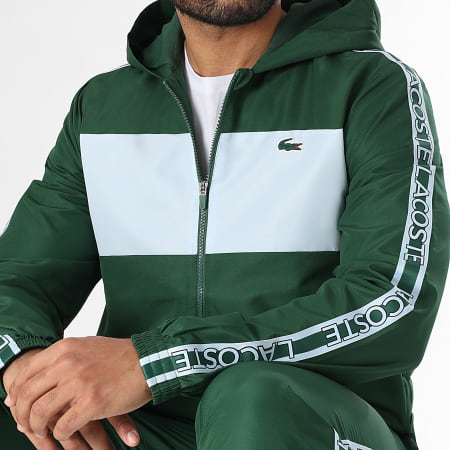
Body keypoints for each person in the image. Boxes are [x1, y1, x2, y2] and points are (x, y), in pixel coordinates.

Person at [0, 0, 449, 448]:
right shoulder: (103, 108)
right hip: (146, 428)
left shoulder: (371, 87)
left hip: (307, 422)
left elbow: (393, 298)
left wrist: (161, 362)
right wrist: (27, 373)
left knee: (252, 400)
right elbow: (17, 280)